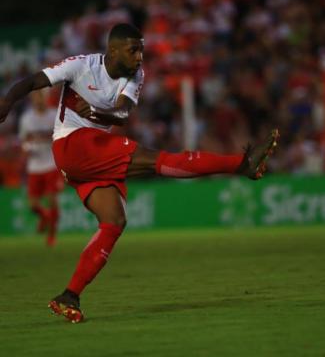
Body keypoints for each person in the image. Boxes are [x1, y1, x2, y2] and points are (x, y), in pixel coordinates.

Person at [0, 23, 279, 323]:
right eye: (134, 50)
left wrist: (92, 114)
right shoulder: (81, 66)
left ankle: (70, 295)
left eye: (141, 49)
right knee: (159, 160)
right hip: (73, 145)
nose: (140, 56)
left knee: (114, 222)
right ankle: (241, 164)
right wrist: (5, 104)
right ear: (113, 50)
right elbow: (31, 82)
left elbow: (120, 115)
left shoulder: (136, 75)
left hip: (91, 155)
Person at [19, 89, 63, 246]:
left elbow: (62, 138)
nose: (38, 99)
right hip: (34, 166)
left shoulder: (54, 115)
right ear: (32, 99)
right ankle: (45, 216)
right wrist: (26, 149)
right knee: (33, 205)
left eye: (41, 96)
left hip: (51, 164)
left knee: (52, 198)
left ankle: (52, 234)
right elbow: (24, 140)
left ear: (46, 97)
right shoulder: (26, 119)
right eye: (35, 96)